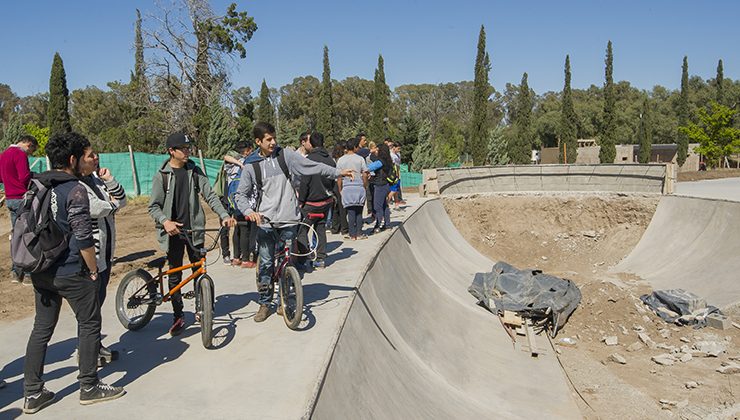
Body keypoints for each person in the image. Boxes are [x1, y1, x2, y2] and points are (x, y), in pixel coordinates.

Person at [23, 132, 125, 414]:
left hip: (41, 269)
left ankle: (32, 393)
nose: (89, 160)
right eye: (84, 155)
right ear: (72, 159)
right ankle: (89, 386)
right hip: (71, 270)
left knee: (41, 329)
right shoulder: (75, 189)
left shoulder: (37, 184)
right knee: (89, 324)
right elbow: (83, 237)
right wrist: (93, 270)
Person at [234, 122, 353, 322]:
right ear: (258, 142)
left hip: (289, 220)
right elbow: (241, 195)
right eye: (268, 139)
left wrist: (337, 172)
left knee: (286, 261)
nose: (273, 142)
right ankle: (264, 302)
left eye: (274, 138)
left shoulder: (285, 156)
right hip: (265, 222)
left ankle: (284, 300)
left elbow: (310, 166)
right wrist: (248, 211)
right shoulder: (251, 165)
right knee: (265, 263)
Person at [148, 132, 235, 336]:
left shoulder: (194, 171)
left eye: (189, 148)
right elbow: (153, 207)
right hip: (173, 231)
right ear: (172, 151)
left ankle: (201, 308)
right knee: (175, 273)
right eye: (184, 148)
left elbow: (210, 195)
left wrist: (223, 214)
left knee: (199, 268)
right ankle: (178, 315)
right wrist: (165, 221)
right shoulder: (162, 176)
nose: (188, 151)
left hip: (194, 230)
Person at [79, 147, 127, 365]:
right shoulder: (76, 185)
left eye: (96, 154)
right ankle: (87, 354)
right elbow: (96, 209)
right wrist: (113, 205)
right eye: (90, 156)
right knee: (90, 308)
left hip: (106, 254)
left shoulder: (97, 180)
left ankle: (94, 346)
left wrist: (109, 180)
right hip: (91, 256)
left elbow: (122, 199)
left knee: (98, 303)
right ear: (78, 160)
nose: (96, 158)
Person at [0, 134, 38, 283]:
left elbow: (1, 178)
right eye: (32, 150)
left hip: (10, 198)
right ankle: (28, 273)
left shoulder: (3, 155)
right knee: (28, 234)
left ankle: (16, 271)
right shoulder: (20, 154)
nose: (30, 154)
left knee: (16, 235)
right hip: (22, 199)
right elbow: (24, 177)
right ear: (28, 144)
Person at [296, 132, 335, 269]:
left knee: (302, 230)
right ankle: (321, 259)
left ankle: (304, 257)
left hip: (310, 203)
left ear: (310, 144)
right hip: (326, 201)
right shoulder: (330, 160)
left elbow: (304, 183)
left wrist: (301, 200)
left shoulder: (308, 160)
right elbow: (333, 181)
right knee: (320, 228)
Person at [223, 141, 258, 268]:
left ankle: (236, 257)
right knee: (245, 230)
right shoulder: (246, 162)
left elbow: (226, 158)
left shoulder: (231, 165)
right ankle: (245, 259)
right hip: (243, 201)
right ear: (248, 150)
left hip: (233, 201)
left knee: (237, 229)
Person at [336, 137, 369, 240]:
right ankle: (359, 233)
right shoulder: (360, 159)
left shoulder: (341, 160)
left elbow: (339, 176)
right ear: (355, 147)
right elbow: (365, 173)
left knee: (350, 211)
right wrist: (364, 185)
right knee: (359, 211)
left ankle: (352, 234)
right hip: (358, 186)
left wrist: (340, 189)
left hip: (347, 187)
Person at [370, 143, 394, 233]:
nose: (376, 151)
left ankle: (378, 225)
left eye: (377, 149)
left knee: (377, 206)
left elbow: (368, 168)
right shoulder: (388, 160)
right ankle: (387, 224)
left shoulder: (380, 162)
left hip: (380, 185)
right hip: (386, 185)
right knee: (384, 205)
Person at [329, 141, 349, 237]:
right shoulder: (341, 160)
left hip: (333, 184)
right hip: (340, 183)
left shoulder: (333, 159)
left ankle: (335, 227)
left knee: (336, 207)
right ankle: (344, 228)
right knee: (342, 207)